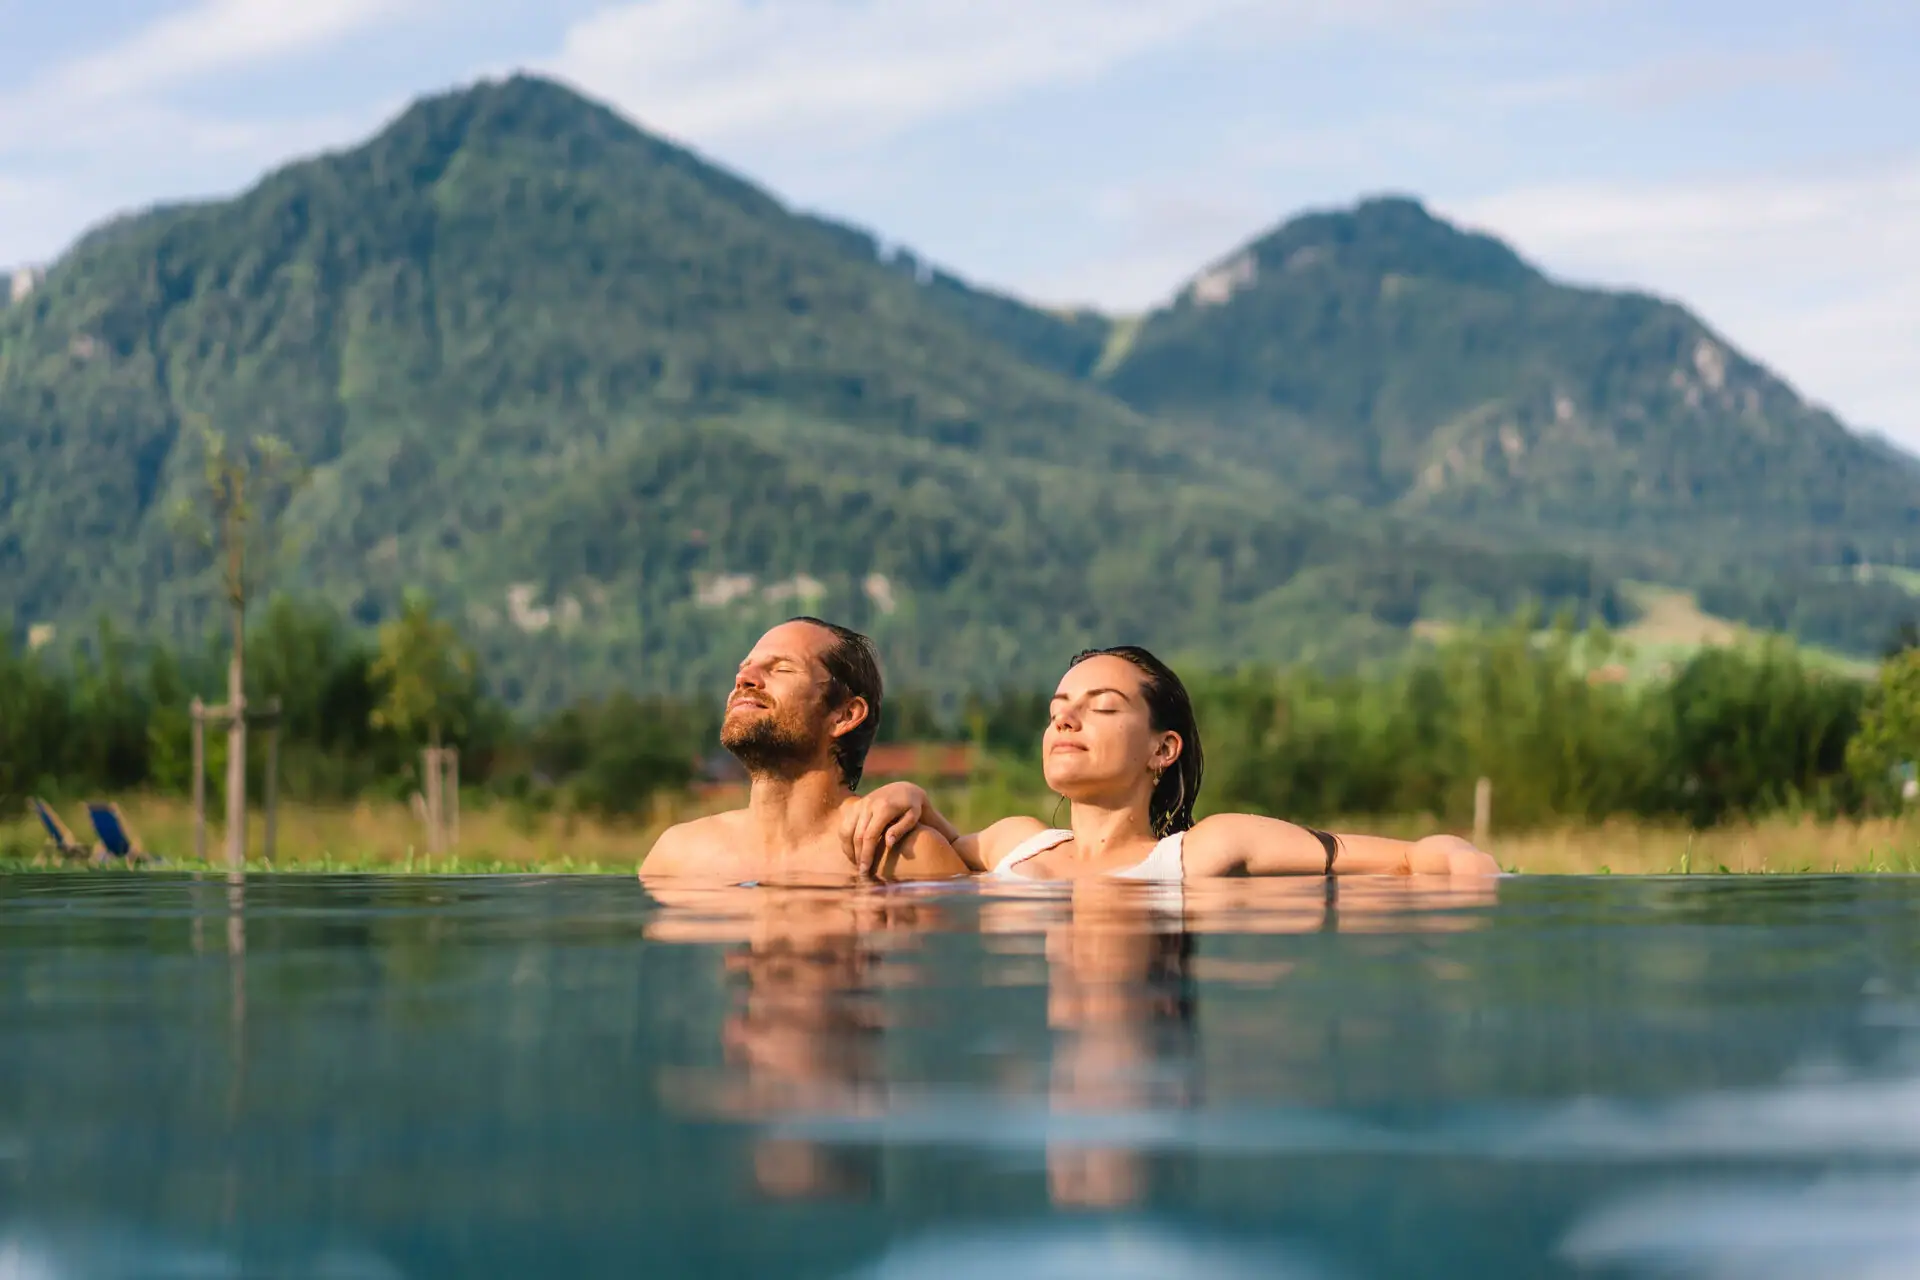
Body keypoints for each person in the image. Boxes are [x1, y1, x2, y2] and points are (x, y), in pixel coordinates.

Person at [847, 645, 1501, 881]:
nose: (1065, 720)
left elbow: (1413, 857)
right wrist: (908, 790)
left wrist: (1465, 864)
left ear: (1163, 749)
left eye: (1101, 707)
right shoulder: (1017, 845)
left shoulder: (1202, 851)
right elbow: (942, 846)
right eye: (1057, 709)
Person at [642, 618, 967, 882]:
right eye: (744, 669)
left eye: (782, 668)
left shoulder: (903, 857)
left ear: (844, 715)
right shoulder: (676, 857)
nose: (744, 678)